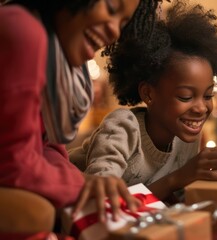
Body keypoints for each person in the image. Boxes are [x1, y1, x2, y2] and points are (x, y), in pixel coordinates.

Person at [0, 0, 161, 233]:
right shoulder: (23, 31)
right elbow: (14, 165)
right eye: (112, 8)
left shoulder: (56, 60)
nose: (115, 30)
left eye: (123, 23)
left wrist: (85, 182)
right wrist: (80, 185)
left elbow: (44, 147)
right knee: (38, 214)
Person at [68, 0, 217, 203]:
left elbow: (171, 203)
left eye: (208, 95)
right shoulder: (122, 129)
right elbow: (102, 202)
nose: (201, 108)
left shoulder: (187, 138)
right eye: (185, 96)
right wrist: (176, 179)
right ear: (148, 93)